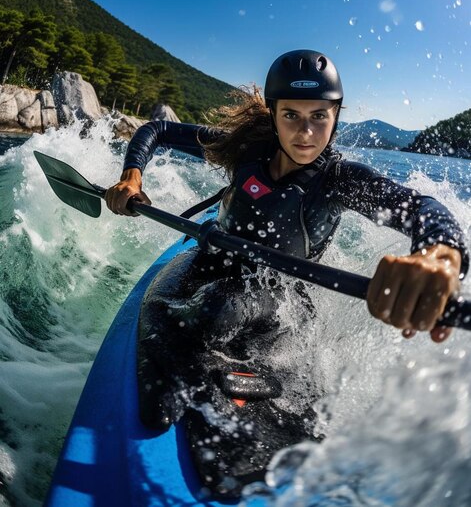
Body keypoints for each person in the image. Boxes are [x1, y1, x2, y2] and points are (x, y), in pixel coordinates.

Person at [105, 49, 468, 497]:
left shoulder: (340, 179)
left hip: (283, 297)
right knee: (213, 307)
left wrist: (439, 255)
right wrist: (133, 176)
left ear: (336, 116)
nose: (306, 131)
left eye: (320, 116)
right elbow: (156, 128)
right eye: (292, 115)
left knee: (224, 307)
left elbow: (422, 208)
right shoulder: (242, 148)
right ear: (274, 114)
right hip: (209, 261)